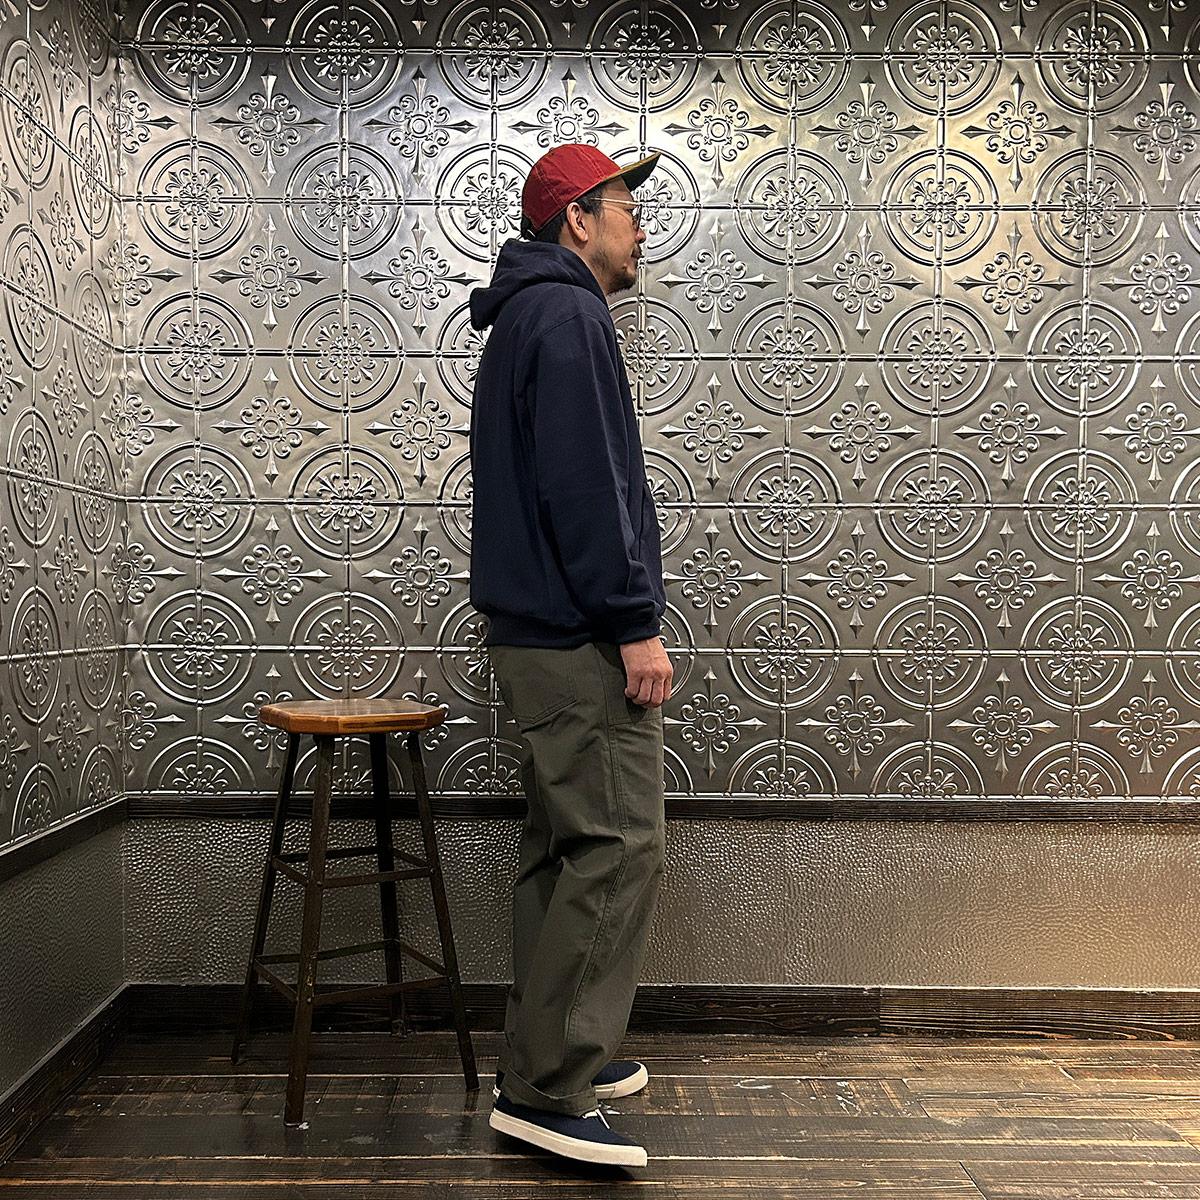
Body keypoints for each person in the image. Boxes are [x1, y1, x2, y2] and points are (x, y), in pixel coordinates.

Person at [466, 143, 673, 1169]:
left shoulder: (529, 316)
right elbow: (586, 489)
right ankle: (548, 1088)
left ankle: (544, 1056)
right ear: (578, 220)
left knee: (560, 851)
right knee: (619, 843)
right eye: (625, 206)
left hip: (535, 636)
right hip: (575, 637)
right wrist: (634, 621)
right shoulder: (570, 315)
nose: (639, 226)